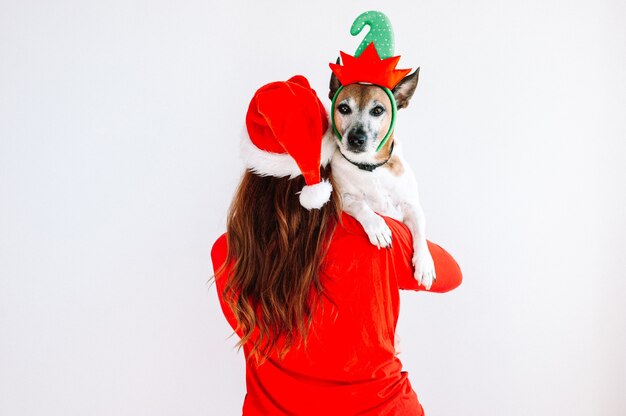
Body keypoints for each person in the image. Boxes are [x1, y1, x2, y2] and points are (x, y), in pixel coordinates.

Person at [211, 75, 462, 415]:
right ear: (329, 153)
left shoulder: (228, 252)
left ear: (252, 172)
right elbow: (451, 274)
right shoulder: (378, 237)